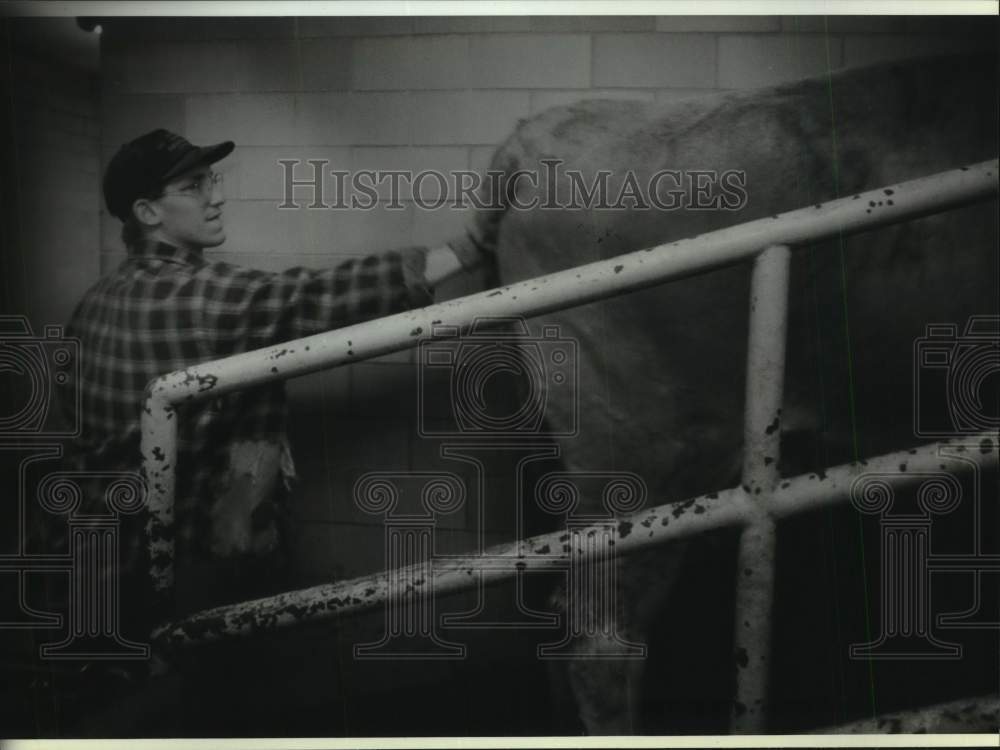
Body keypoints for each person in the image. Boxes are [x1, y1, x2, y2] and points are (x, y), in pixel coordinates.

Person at [55, 128, 503, 639]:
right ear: (148, 213)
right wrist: (470, 247)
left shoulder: (92, 303)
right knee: (188, 694)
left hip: (88, 566)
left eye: (212, 180)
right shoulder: (204, 298)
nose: (217, 196)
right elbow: (319, 296)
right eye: (195, 186)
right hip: (167, 576)